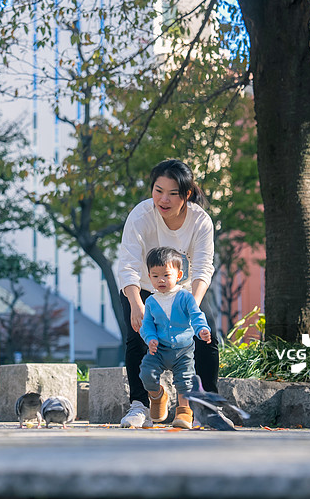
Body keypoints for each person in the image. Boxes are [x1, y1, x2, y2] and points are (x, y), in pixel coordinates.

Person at [116, 158, 219, 428]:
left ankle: (207, 407)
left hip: (183, 290)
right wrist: (136, 304)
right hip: (142, 287)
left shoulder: (200, 221)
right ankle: (140, 405)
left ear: (186, 194)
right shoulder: (141, 216)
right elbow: (127, 265)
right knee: (137, 339)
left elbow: (203, 268)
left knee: (206, 338)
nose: (163, 199)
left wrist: (191, 307)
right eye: (158, 190)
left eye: (173, 193)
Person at [138, 247, 211, 429]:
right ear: (149, 277)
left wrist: (202, 329)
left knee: (184, 381)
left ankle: (184, 412)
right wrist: (150, 338)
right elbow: (147, 324)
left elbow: (196, 315)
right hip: (159, 349)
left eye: (166, 275)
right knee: (146, 373)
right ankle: (157, 396)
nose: (161, 280)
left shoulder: (185, 297)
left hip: (183, 350)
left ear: (178, 275)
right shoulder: (151, 301)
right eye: (155, 276)